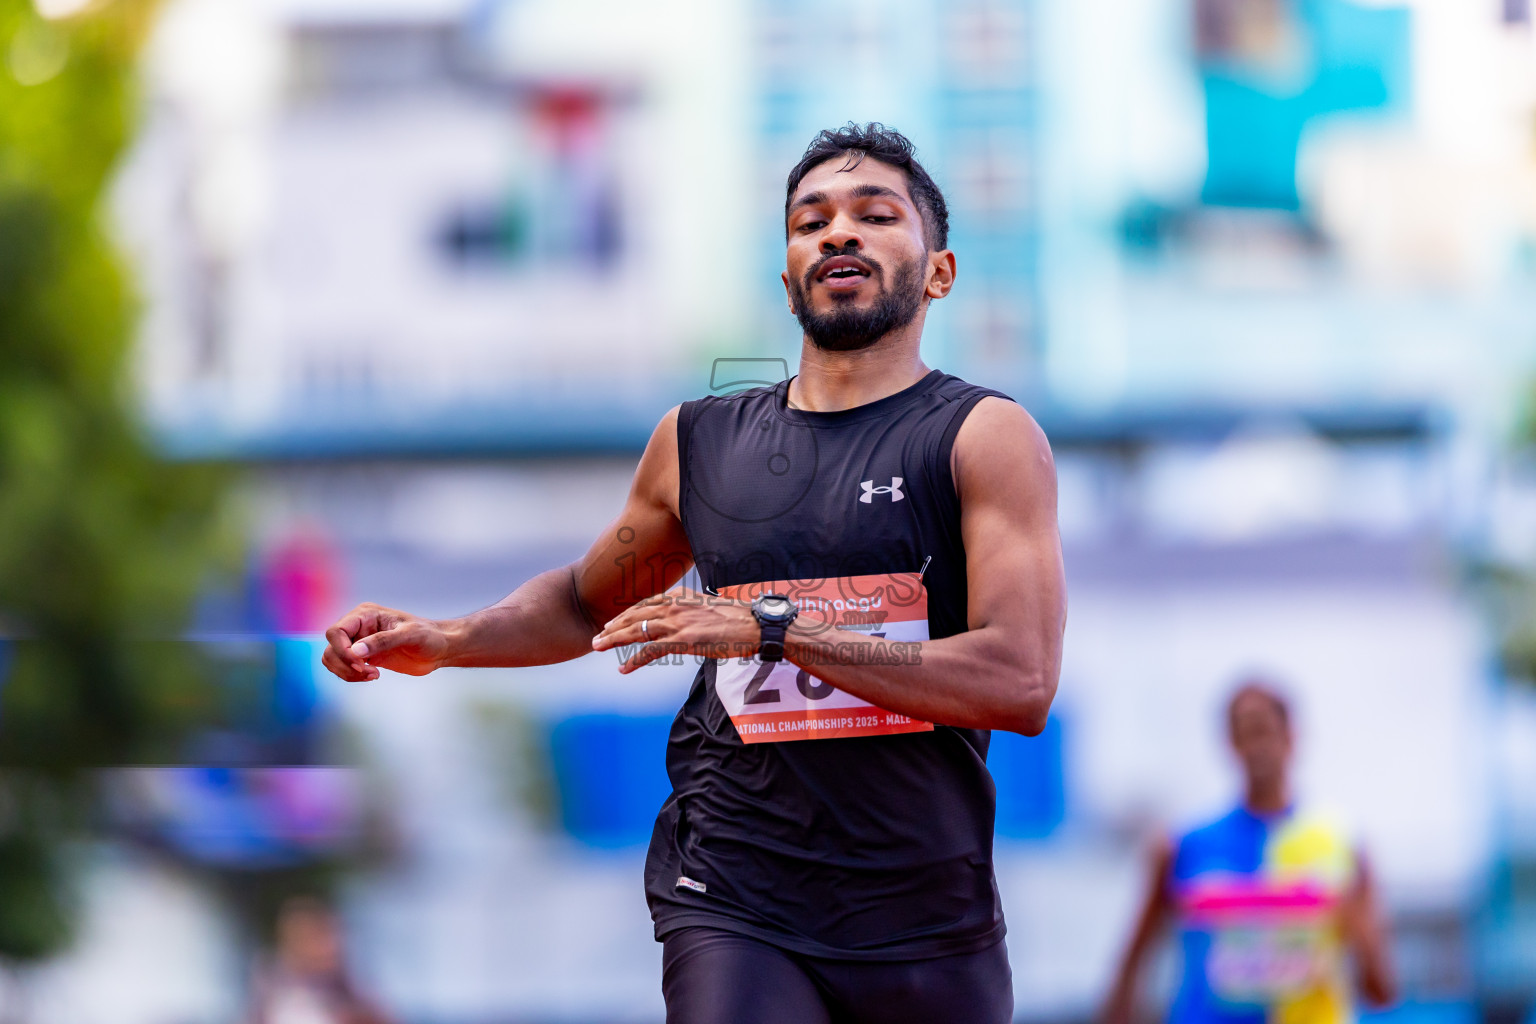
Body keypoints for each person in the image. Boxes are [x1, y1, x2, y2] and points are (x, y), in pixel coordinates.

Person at [321, 122, 1067, 1023]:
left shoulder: (984, 438)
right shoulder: (698, 443)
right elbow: (582, 604)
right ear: (787, 278)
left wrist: (774, 631)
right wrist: (449, 638)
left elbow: (1019, 682)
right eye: (810, 222)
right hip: (733, 889)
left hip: (925, 913)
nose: (838, 232)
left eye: (875, 215)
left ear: (939, 272)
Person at [1102, 682, 1397, 1024]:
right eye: (1244, 734)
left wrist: (1359, 936)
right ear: (1230, 744)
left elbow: (1381, 991)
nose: (1257, 748)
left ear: (1291, 736)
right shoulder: (1184, 847)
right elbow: (1133, 961)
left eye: (1264, 731)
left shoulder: (1341, 846)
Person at [247, 896, 392, 1024]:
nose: (332, 945)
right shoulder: (286, 1002)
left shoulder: (349, 989)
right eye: (317, 937)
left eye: (333, 932)